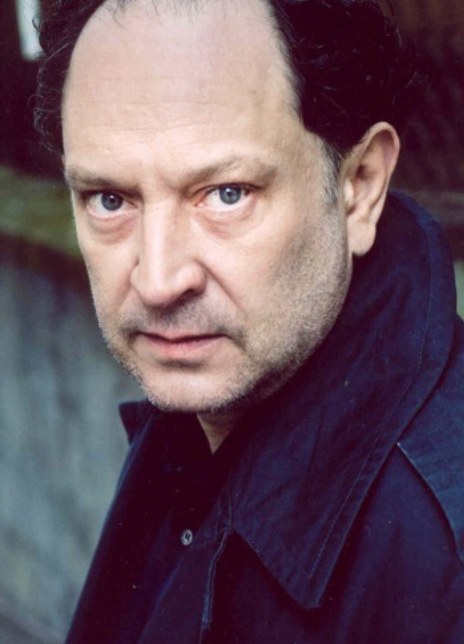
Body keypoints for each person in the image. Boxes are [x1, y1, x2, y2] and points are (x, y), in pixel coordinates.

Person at [35, 0, 464, 641]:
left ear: (359, 185)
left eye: (226, 194)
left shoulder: (440, 557)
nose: (158, 280)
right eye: (110, 199)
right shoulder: (202, 410)